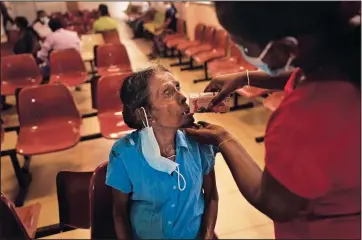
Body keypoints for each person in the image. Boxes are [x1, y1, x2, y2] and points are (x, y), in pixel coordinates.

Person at [184, 2, 361, 239]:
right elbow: (300, 72)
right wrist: (244, 77)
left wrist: (223, 139)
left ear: (287, 46)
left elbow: (276, 203)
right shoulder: (337, 57)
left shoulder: (303, 117)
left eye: (245, 47)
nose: (245, 54)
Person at [106, 66, 218, 239]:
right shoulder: (124, 154)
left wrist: (207, 235)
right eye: (167, 92)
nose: (182, 97)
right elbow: (119, 213)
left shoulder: (200, 142)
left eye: (178, 88)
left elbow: (211, 197)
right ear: (146, 114)